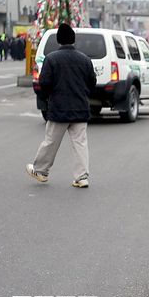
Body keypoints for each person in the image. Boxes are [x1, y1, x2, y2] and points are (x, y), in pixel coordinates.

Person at [26, 24, 97, 188]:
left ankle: (41, 171)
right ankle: (82, 177)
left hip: (59, 108)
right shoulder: (85, 60)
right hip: (80, 107)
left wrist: (49, 97)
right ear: (73, 40)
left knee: (50, 141)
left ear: (59, 40)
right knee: (80, 143)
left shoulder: (51, 59)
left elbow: (44, 83)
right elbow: (92, 83)